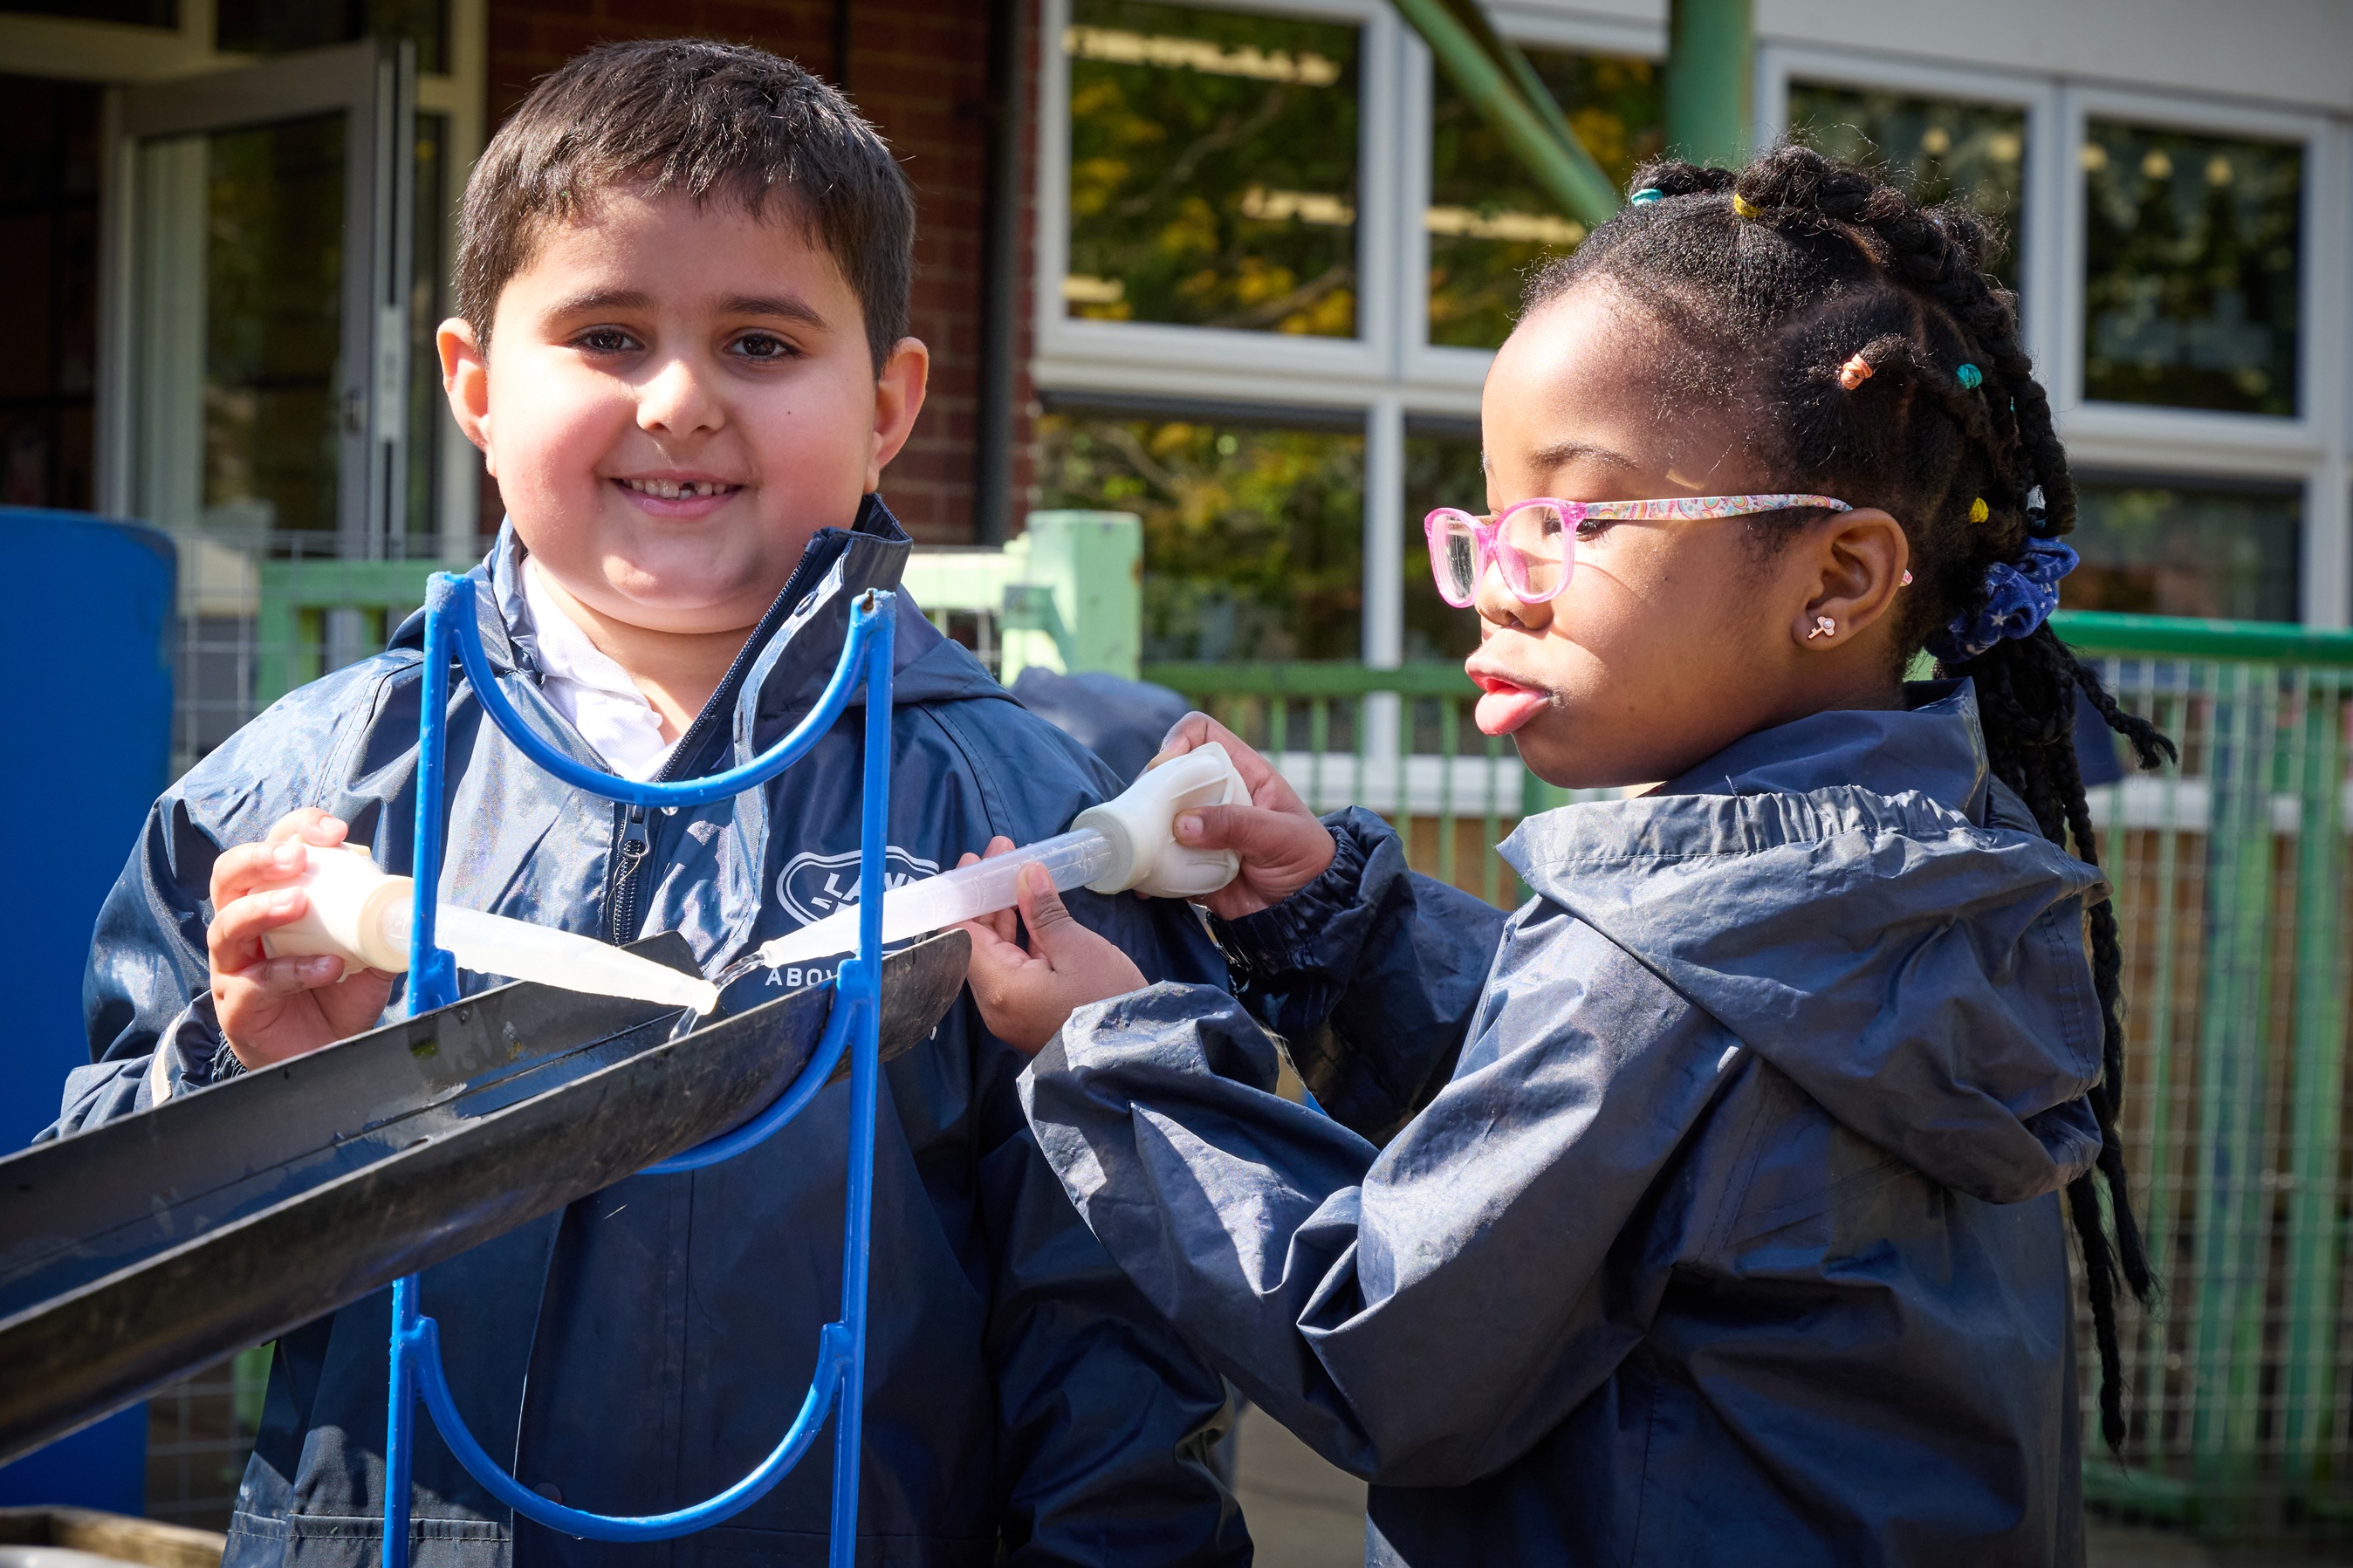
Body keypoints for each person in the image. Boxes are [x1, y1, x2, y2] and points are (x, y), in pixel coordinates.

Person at [50, 40, 1246, 1568]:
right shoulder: (306, 798)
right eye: (607, 334)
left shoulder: (1013, 812)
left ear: (889, 403)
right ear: (476, 385)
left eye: (761, 342)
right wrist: (246, 1071)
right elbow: (101, 1259)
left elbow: (1126, 1326)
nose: (679, 400)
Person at [954, 147, 2174, 1565]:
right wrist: (1335, 918)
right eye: (1485, 521)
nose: (1498, 582)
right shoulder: (1938, 871)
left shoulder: (1664, 966)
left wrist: (1117, 1056)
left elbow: (1383, 1340)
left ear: (1838, 576)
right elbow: (1621, 1139)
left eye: (1570, 520)